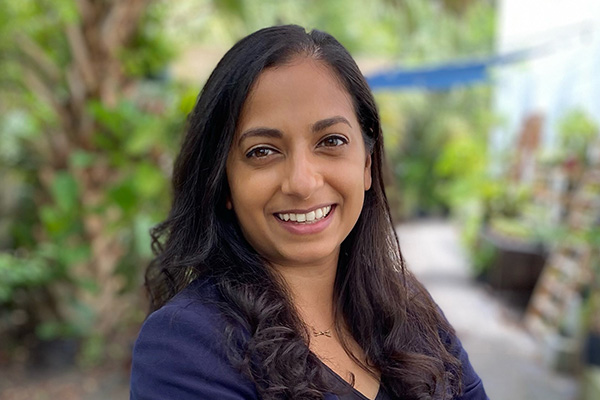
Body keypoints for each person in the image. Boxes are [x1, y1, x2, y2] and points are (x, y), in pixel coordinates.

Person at [130, 25, 488, 400]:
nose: (301, 182)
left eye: (331, 141)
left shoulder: (409, 312)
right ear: (224, 183)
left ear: (367, 164)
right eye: (262, 151)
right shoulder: (187, 347)